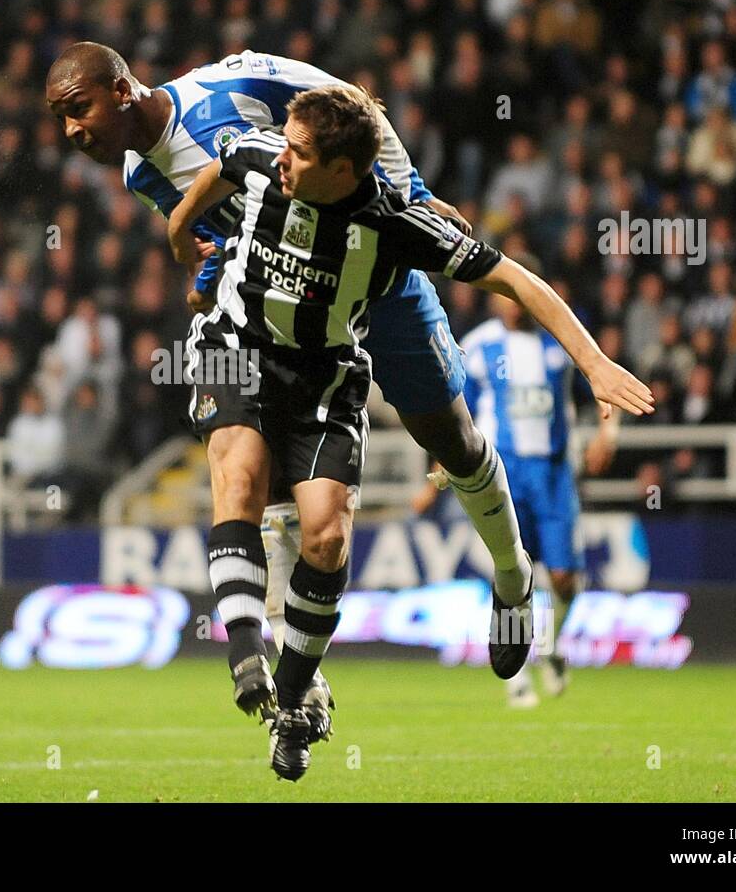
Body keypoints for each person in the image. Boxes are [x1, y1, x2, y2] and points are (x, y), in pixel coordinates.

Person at [45, 42, 542, 734]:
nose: (72, 131)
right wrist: (206, 267)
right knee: (270, 484)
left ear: (123, 90)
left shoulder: (231, 87)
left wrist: (416, 196)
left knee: (449, 438)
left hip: (377, 278)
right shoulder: (140, 174)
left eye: (79, 110)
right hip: (288, 323)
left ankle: (513, 576)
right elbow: (221, 227)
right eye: (60, 119)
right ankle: (298, 673)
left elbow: (354, 106)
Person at [165, 85, 653, 780]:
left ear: (344, 170)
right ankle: (247, 655)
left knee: (329, 535)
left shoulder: (397, 221)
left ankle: (302, 690)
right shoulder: (263, 154)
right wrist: (182, 234)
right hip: (235, 349)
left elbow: (517, 281)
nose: (283, 162)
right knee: (238, 477)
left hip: (327, 374)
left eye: (301, 154)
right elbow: (217, 166)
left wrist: (593, 359)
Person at [457, 278, 620, 707]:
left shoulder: (559, 339)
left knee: (565, 579)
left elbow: (601, 380)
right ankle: (516, 676)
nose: (514, 305)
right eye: (506, 296)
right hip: (504, 475)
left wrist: (609, 430)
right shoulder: (477, 346)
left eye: (520, 296)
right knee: (512, 573)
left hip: (553, 473)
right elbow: (455, 412)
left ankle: (551, 645)